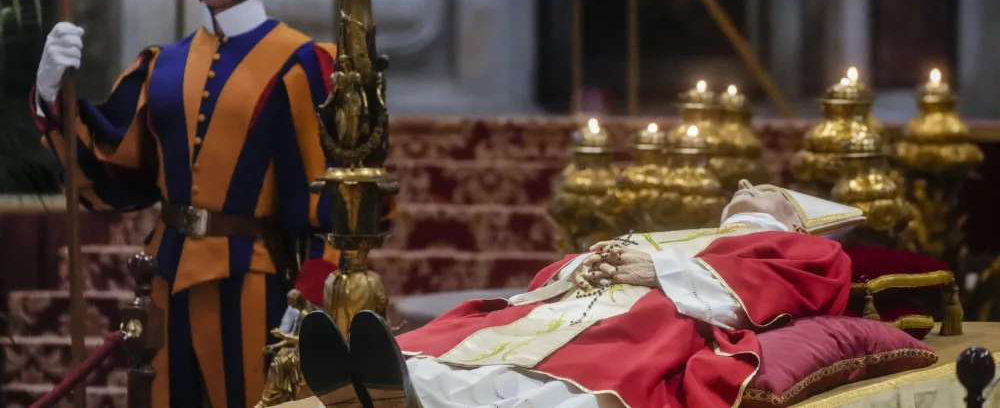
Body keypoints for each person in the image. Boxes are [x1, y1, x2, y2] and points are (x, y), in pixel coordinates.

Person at [29, 0, 361, 405]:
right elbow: (113, 171)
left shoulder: (300, 64)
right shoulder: (163, 65)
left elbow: (334, 197)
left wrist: (310, 296)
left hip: (255, 287)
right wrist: (48, 94)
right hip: (164, 281)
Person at [295, 182, 865, 408]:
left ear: (794, 218)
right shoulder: (683, 232)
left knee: (566, 375)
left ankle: (414, 398)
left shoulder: (808, 249)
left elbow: (767, 294)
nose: (743, 186)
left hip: (661, 311)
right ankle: (388, 382)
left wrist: (656, 270)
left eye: (763, 189)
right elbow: (558, 271)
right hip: (582, 301)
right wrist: (586, 266)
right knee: (488, 337)